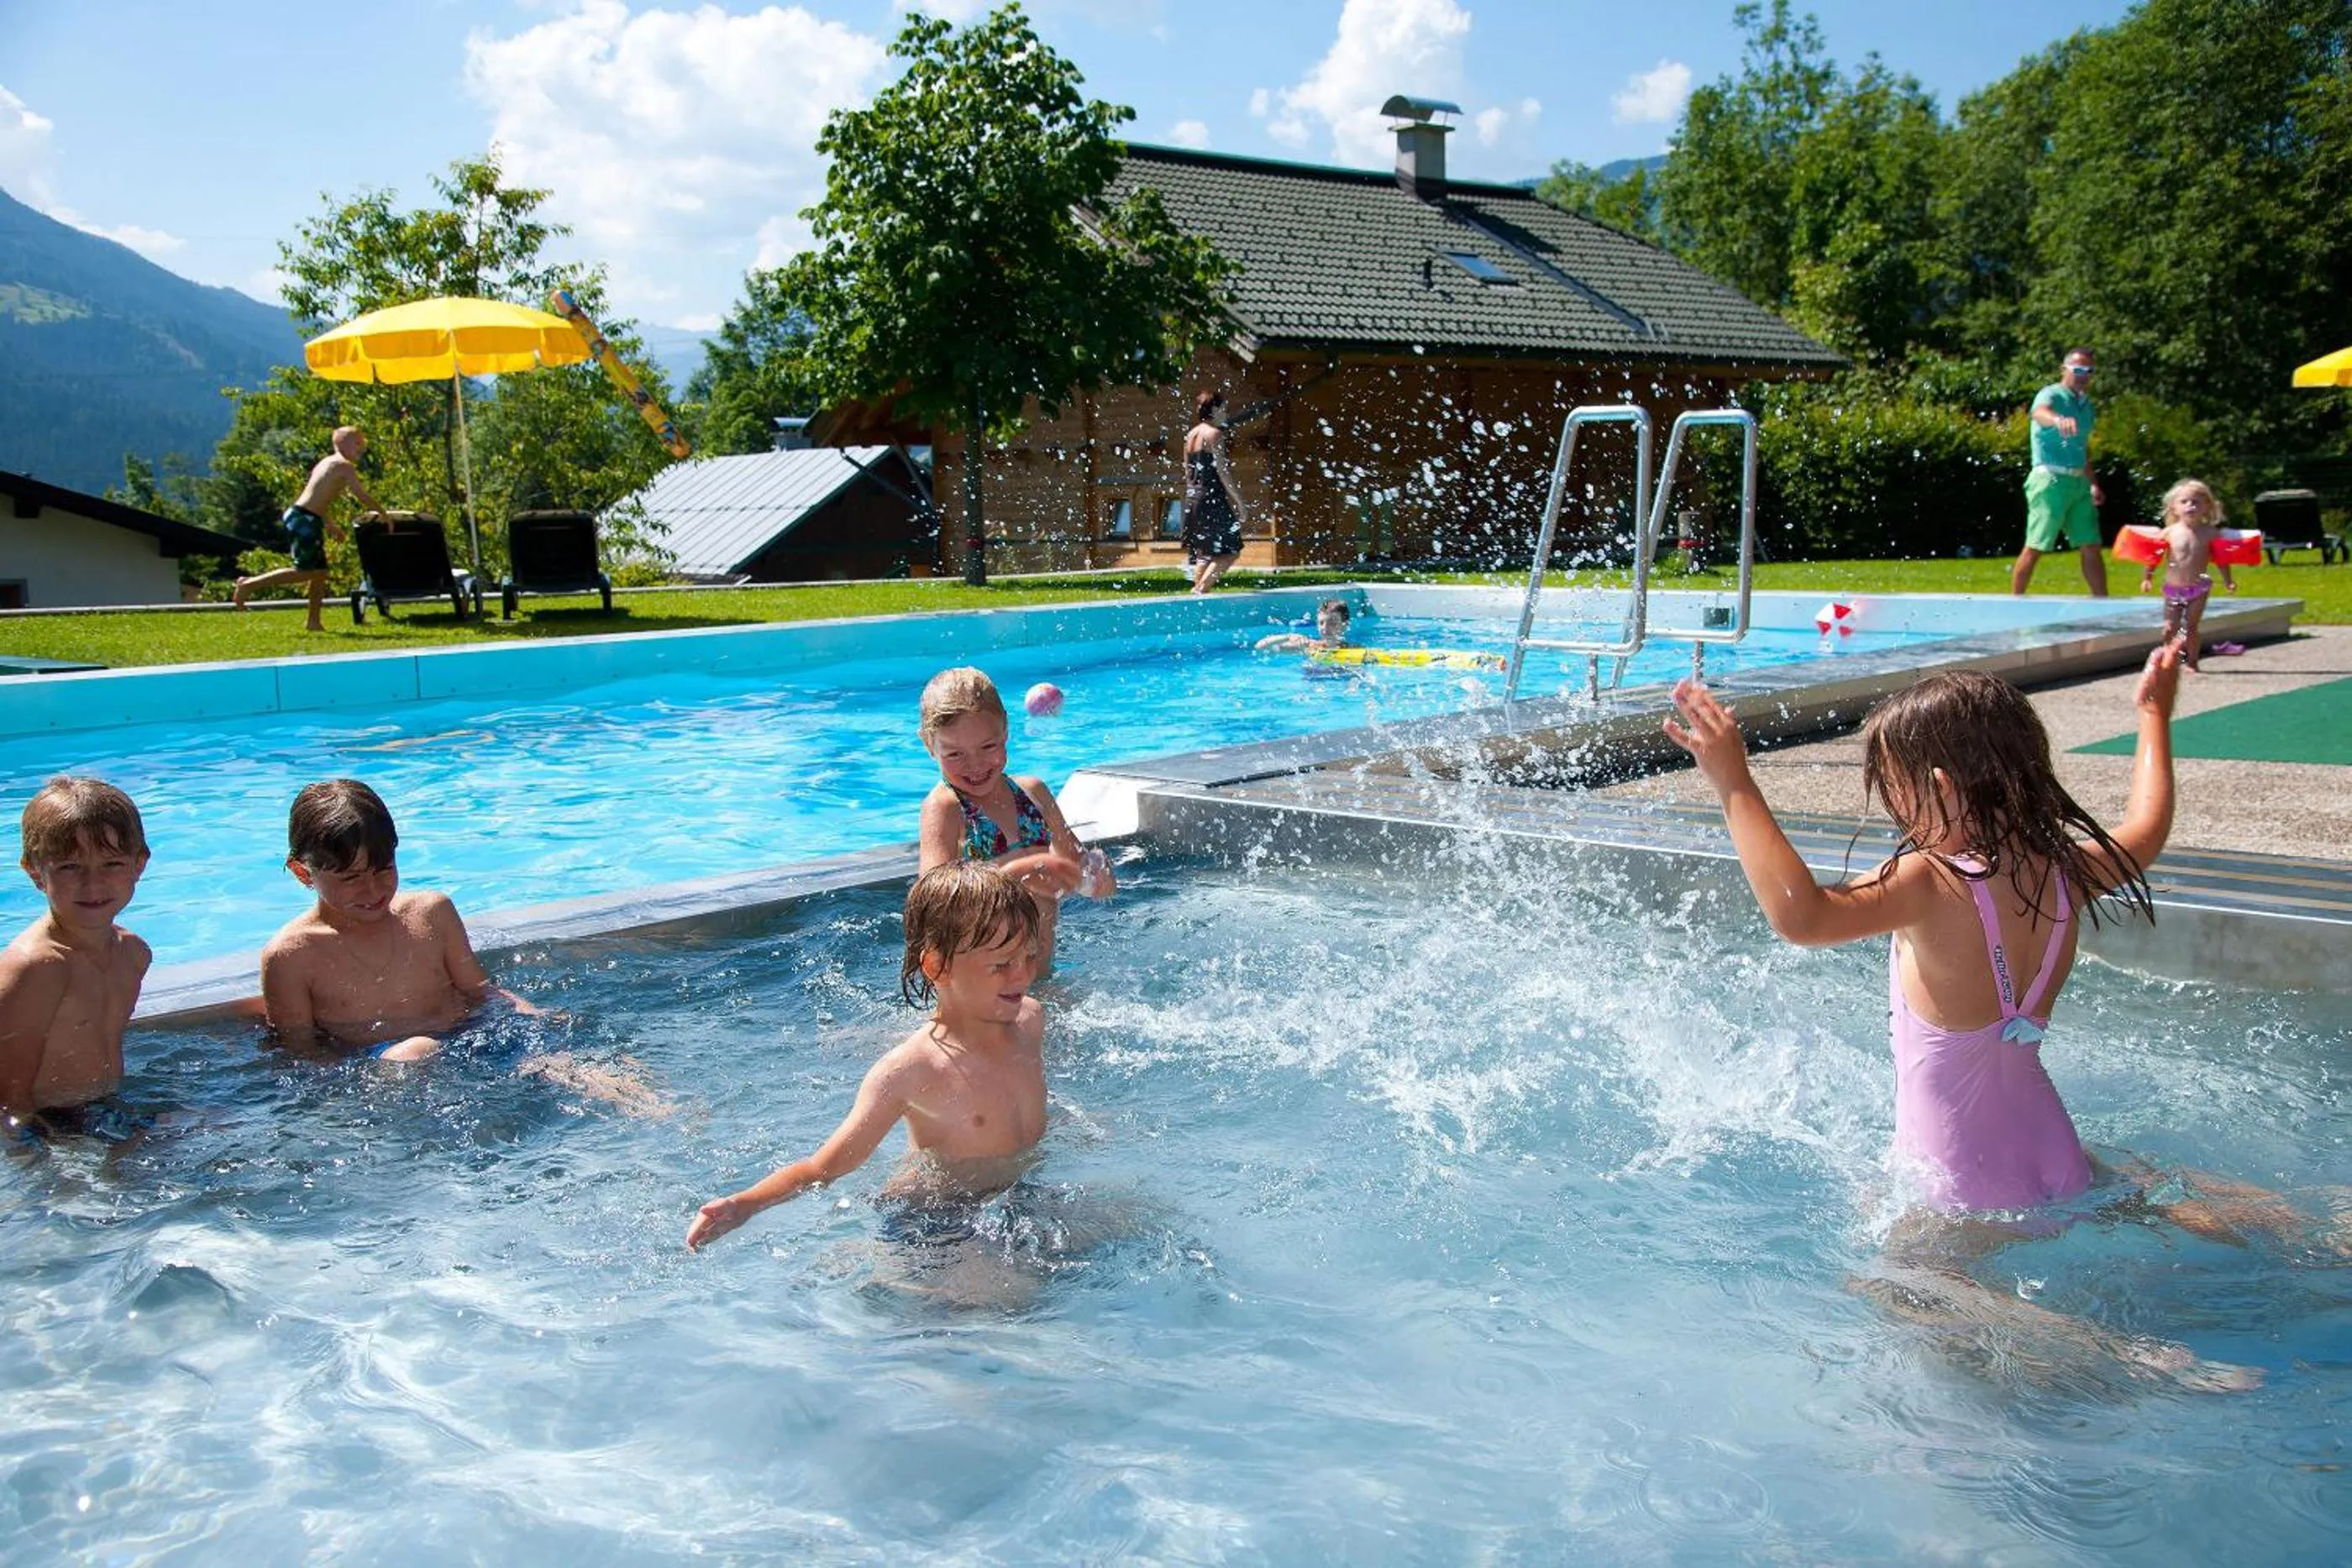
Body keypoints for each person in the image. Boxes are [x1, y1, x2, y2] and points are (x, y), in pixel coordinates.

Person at [1662, 652, 2330, 1392]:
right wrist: (2152, 715)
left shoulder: (1927, 880)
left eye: (1895, 792)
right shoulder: (2064, 868)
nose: (1894, 813)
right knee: (2149, 1193)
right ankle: (2321, 1232)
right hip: (2054, 1148)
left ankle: (2133, 1359)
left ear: (1941, 787)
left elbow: (1802, 915)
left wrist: (1733, 779)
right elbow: (2148, 827)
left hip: (1962, 1177)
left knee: (1898, 1288)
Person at [685, 862, 1048, 1250]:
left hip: (1018, 1195)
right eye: (1001, 965)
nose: (1022, 975)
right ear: (938, 966)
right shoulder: (910, 1071)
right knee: (1005, 1304)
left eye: (1028, 957)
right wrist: (744, 1205)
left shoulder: (1029, 1021)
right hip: (937, 1218)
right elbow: (822, 1167)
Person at [260, 779, 664, 1110]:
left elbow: (478, 991)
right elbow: (300, 1050)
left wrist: (529, 1014)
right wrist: (366, 1078)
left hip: (472, 1036)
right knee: (413, 1055)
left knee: (572, 1062)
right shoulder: (292, 956)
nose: (373, 889)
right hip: (388, 1061)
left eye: (384, 869)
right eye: (351, 878)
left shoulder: (431, 912)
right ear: (302, 872)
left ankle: (662, 1112)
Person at [916, 667, 1113, 969]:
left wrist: (1095, 871)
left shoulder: (1032, 794)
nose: (975, 764)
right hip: (982, 989)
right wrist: (1019, 871)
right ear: (929, 745)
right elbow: (936, 905)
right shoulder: (946, 808)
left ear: (1005, 730)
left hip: (1040, 974)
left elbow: (1074, 860)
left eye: (988, 746)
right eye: (955, 754)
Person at [1, 778, 151, 1136]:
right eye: (70, 867)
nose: (93, 884)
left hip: (102, 1110)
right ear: (35, 872)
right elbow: (7, 1097)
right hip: (46, 1125)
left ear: (139, 865)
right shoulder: (37, 967)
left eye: (112, 864)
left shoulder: (133, 953)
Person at [233, 426, 386, 632]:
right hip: (304, 519)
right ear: (342, 444)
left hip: (306, 517)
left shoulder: (326, 463)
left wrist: (330, 524)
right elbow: (361, 495)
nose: (362, 448)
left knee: (320, 573)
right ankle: (248, 585)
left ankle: (313, 621)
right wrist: (383, 514)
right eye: (357, 443)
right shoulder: (344, 466)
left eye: (363, 444)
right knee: (304, 571)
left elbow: (317, 497)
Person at [2011, 349, 2108, 598]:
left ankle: (2102, 604)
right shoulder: (2051, 393)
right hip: (2049, 480)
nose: (2083, 376)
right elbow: (2039, 413)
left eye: (2089, 371)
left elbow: (2082, 448)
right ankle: (2014, 601)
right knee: (2036, 545)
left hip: (2078, 481)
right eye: (2077, 370)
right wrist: (2057, 420)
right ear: (2064, 369)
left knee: (2091, 545)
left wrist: (2093, 483)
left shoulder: (2085, 405)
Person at [2139, 478, 2237, 671]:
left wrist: (2228, 581)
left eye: (2196, 502)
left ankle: (2192, 661)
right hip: (2172, 589)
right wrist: (2147, 578)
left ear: (2206, 507)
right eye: (2184, 502)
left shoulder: (2211, 534)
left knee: (2191, 627)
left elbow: (2221, 560)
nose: (2190, 506)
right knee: (2169, 627)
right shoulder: (2169, 532)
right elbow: (2154, 557)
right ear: (2174, 508)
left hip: (2198, 589)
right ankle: (2170, 658)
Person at [1181, 390, 1247, 595]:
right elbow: (1223, 472)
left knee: (1205, 554)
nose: (1225, 413)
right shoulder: (1214, 434)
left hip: (1192, 498)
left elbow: (1187, 472)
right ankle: (1200, 590)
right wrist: (1239, 502)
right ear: (1215, 409)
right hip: (1211, 498)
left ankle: (1196, 597)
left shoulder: (1191, 435)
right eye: (1224, 409)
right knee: (1231, 551)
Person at [1255, 598, 1352, 653]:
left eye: (1332, 623)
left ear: (1345, 625)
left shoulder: (1353, 650)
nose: (1325, 628)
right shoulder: (1308, 647)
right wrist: (1287, 637)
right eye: (1321, 623)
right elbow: (1261, 647)